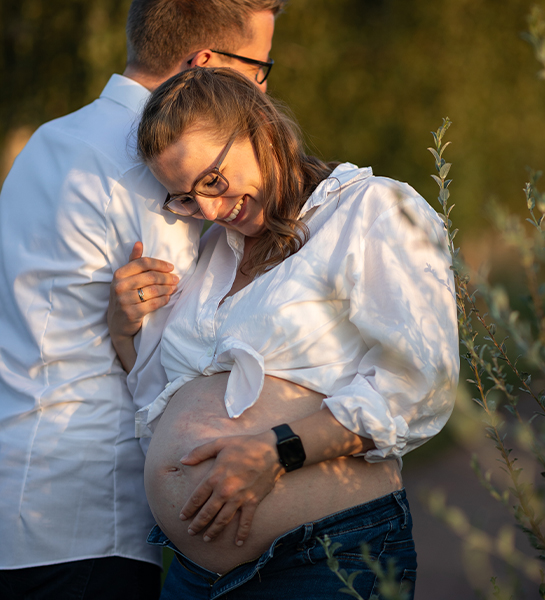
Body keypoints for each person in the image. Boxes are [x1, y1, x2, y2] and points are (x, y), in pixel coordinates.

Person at [108, 67, 460, 600]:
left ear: (259, 128)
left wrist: (277, 452)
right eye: (184, 198)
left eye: (212, 181)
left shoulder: (370, 209)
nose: (208, 210)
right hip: (192, 575)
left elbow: (418, 387)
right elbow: (158, 397)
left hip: (324, 557)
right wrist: (124, 327)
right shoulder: (213, 252)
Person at [0, 2, 286, 598]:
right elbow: (185, 351)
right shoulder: (161, 165)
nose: (262, 91)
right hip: (88, 512)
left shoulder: (51, 139)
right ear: (205, 64)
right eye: (258, 69)